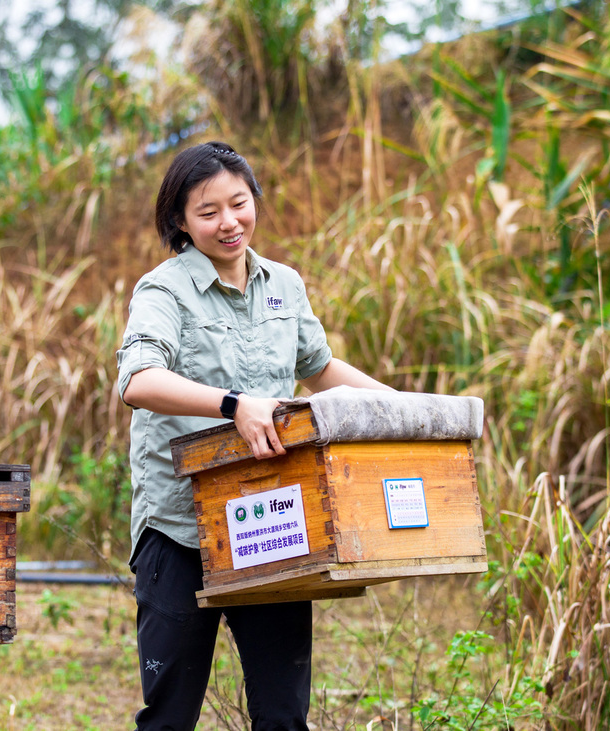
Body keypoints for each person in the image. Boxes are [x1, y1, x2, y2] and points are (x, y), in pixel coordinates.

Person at [116, 142, 395, 730]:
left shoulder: (283, 286)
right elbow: (139, 380)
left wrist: (402, 410)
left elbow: (319, 368)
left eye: (238, 204)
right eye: (207, 211)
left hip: (273, 523)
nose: (228, 222)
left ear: (255, 201)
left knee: (285, 714)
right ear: (180, 222)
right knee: (169, 717)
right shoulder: (163, 291)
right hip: (181, 530)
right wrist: (232, 405)